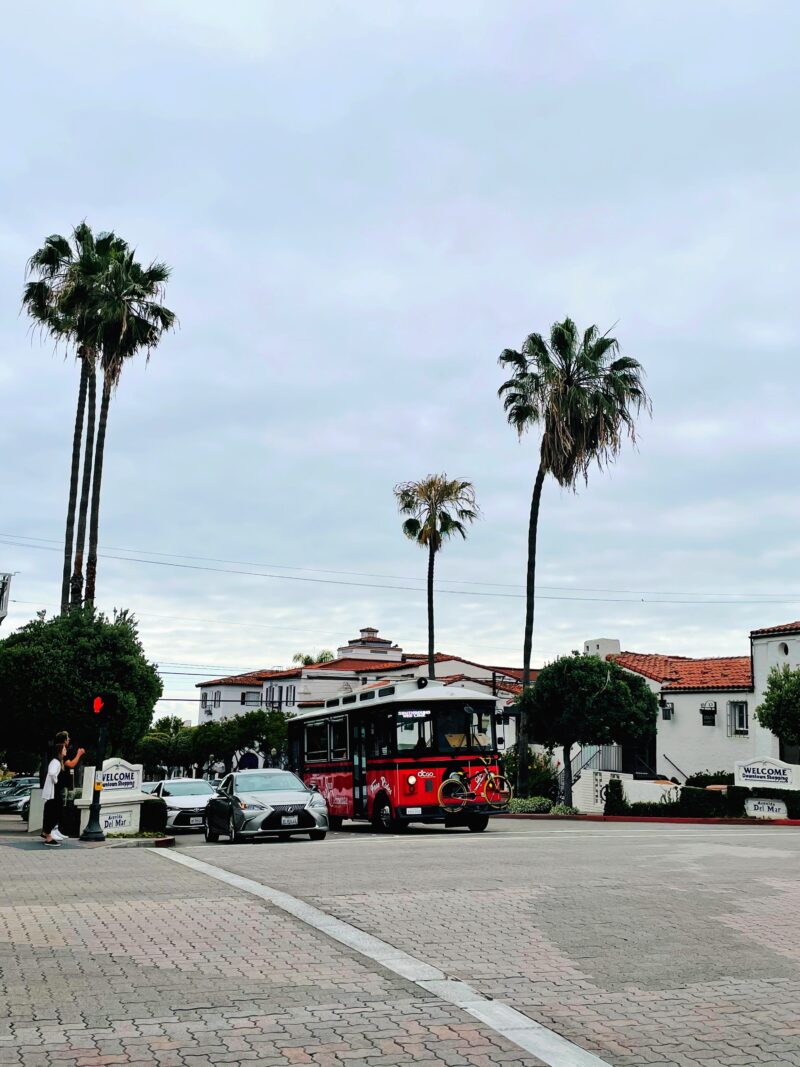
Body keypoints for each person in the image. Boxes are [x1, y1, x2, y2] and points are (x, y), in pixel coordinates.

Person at [51, 731, 85, 841]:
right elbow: (70, 764)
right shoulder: (60, 751)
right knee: (58, 807)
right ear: (64, 740)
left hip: (63, 783)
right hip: (60, 784)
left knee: (60, 807)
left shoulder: (62, 751)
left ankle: (57, 830)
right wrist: (79, 754)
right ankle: (53, 830)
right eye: (67, 738)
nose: (69, 739)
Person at [41, 741, 65, 846]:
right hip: (53, 793)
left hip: (54, 793)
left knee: (51, 812)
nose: (66, 750)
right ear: (59, 751)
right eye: (64, 749)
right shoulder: (56, 762)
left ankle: (45, 833)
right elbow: (51, 773)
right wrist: (56, 780)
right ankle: (48, 836)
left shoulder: (57, 761)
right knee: (54, 813)